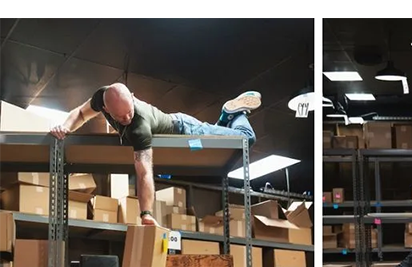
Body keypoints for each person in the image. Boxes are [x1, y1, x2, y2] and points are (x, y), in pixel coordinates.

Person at [49, 83, 261, 226]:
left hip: (186, 129)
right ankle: (225, 119)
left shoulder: (139, 126)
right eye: (119, 117)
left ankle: (236, 115)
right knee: (221, 139)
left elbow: (144, 173)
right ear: (105, 108)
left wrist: (146, 213)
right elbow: (81, 112)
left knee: (245, 138)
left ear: (133, 98)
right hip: (175, 129)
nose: (126, 119)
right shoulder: (101, 97)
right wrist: (65, 127)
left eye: (129, 112)